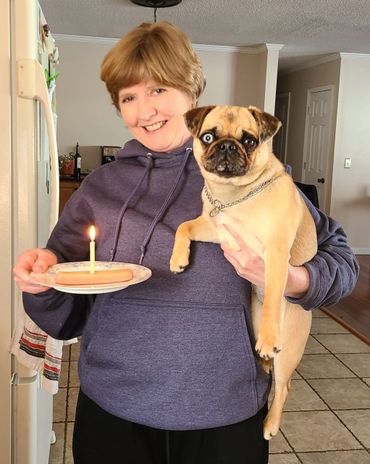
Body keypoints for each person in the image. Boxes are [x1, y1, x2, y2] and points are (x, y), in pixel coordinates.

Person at [13, 21, 359, 464]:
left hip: (224, 412)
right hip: (114, 409)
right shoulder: (100, 187)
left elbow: (343, 264)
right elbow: (67, 315)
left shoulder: (261, 178)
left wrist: (290, 278)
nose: (145, 110)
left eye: (159, 89)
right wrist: (43, 283)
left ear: (192, 93)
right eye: (128, 97)